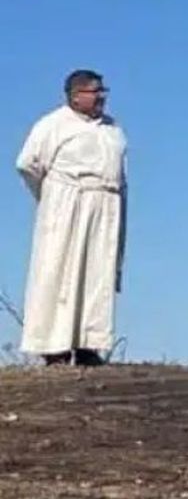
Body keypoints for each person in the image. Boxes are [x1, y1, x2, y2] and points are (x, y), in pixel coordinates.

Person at [14, 70, 128, 366]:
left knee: (97, 272)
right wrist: (53, 196)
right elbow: (27, 164)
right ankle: (55, 347)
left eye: (103, 91)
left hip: (105, 202)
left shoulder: (111, 128)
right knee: (58, 271)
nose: (101, 97)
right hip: (66, 202)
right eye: (94, 91)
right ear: (75, 95)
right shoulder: (53, 124)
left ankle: (89, 343)